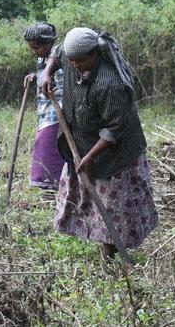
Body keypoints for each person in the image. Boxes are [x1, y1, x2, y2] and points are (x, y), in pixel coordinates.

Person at [45, 27, 158, 259]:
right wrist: (47, 72)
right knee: (88, 198)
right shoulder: (70, 57)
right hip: (82, 142)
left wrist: (90, 157)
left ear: (94, 53)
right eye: (71, 60)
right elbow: (57, 52)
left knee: (112, 205)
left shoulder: (109, 84)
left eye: (80, 60)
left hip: (115, 153)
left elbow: (114, 129)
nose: (74, 64)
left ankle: (111, 253)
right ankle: (104, 247)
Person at [24, 22, 65, 190]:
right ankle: (49, 194)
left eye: (37, 47)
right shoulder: (42, 59)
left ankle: (54, 191)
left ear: (49, 43)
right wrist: (35, 76)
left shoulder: (62, 61)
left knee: (48, 151)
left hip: (58, 114)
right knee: (44, 151)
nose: (35, 51)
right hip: (45, 113)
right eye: (32, 48)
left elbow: (64, 89)